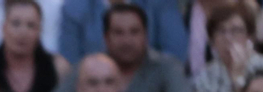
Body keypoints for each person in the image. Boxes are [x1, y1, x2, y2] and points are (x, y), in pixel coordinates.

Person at [45, 3, 198, 92]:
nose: (127, 41)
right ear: (106, 38)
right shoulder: (89, 67)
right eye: (118, 33)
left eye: (134, 32)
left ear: (145, 36)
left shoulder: (166, 66)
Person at [57, 0, 187, 65]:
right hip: (96, 89)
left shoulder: (159, 3)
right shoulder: (75, 7)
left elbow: (176, 55)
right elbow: (70, 63)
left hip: (151, 87)